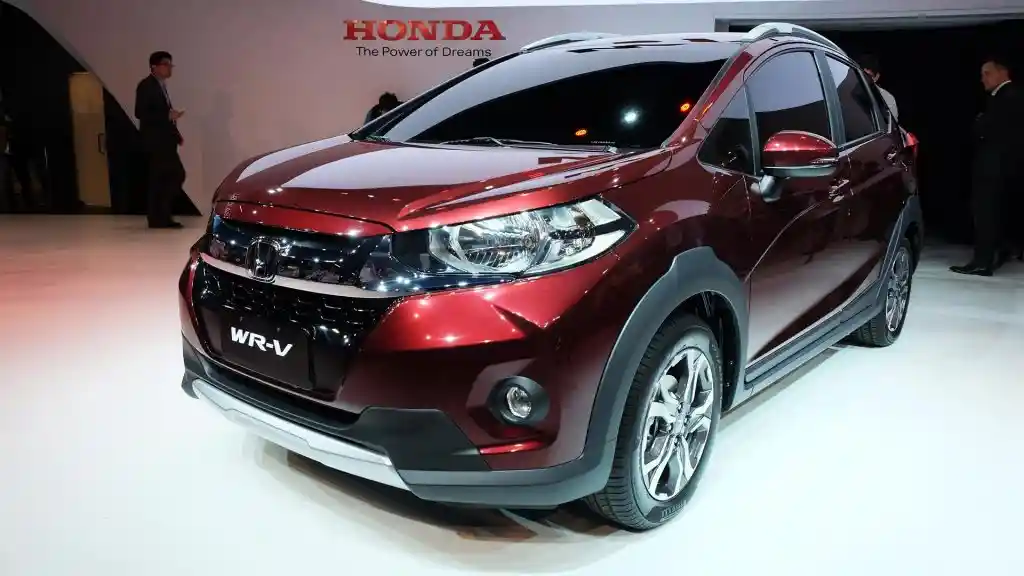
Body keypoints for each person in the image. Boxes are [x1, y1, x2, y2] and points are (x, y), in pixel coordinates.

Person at [950, 57, 1024, 276]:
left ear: (1003, 72)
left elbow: (989, 129)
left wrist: (980, 123)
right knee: (997, 214)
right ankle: (998, 254)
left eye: (987, 73)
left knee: (986, 215)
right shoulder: (1008, 96)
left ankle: (983, 261)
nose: (983, 79)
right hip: (1003, 168)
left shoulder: (1007, 97)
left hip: (994, 168)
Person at [135, 50, 185, 229]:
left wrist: (175, 134)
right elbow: (140, 112)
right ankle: (159, 217)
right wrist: (167, 115)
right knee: (169, 176)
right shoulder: (146, 86)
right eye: (165, 64)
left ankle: (160, 217)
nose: (169, 68)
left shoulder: (160, 86)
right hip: (156, 142)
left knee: (167, 177)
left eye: (171, 65)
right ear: (154, 66)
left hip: (165, 141)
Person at [858, 54, 898, 120]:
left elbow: (891, 124)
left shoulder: (887, 99)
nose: (865, 79)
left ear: (877, 77)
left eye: (868, 76)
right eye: (862, 75)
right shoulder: (845, 89)